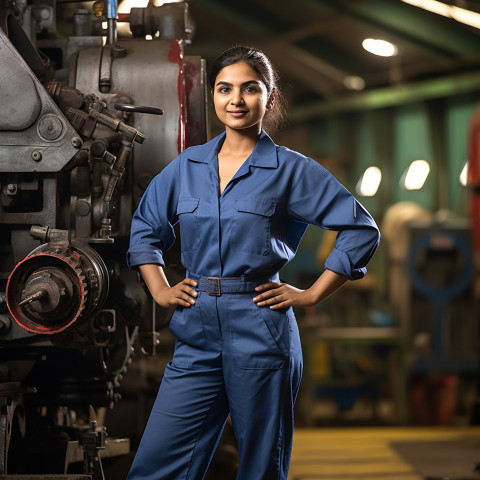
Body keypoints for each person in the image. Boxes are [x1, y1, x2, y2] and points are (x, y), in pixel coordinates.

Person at [126, 45, 380, 480]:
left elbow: (360, 229)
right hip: (196, 330)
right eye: (225, 89)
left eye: (250, 89)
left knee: (260, 468)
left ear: (270, 97)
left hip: (260, 327)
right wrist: (160, 288)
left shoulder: (291, 170)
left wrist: (313, 293)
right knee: (155, 468)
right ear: (213, 96)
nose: (236, 100)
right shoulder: (187, 166)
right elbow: (146, 226)